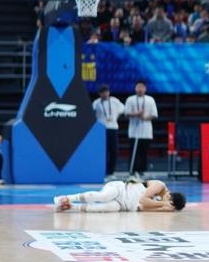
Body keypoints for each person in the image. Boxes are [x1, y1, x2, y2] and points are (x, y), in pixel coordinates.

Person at [53, 179, 185, 212]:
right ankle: (68, 198)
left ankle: (71, 207)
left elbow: (142, 208)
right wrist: (163, 204)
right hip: (121, 189)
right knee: (103, 196)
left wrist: (163, 208)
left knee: (104, 208)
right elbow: (143, 200)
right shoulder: (159, 186)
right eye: (169, 201)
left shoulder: (162, 206)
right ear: (169, 195)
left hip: (123, 205)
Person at [124, 80, 158, 178]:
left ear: (145, 88)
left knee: (144, 152)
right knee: (134, 152)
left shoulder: (150, 99)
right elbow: (126, 113)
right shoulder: (130, 99)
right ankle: (133, 170)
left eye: (142, 87)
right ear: (135, 88)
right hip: (134, 131)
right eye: (138, 87)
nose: (140, 89)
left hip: (146, 131)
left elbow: (154, 115)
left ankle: (142, 171)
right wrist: (136, 114)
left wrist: (144, 117)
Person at [92, 84, 125, 180]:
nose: (105, 94)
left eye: (106, 92)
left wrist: (115, 117)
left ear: (109, 92)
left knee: (113, 150)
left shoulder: (114, 101)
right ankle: (103, 171)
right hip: (101, 130)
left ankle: (111, 171)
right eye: (102, 92)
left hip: (113, 128)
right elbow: (92, 114)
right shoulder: (96, 103)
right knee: (103, 151)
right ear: (99, 94)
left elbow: (123, 109)